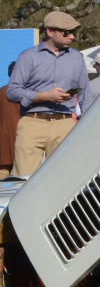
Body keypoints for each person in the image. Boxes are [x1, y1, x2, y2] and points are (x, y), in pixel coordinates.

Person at [6, 11, 93, 176]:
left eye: (73, 33)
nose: (72, 37)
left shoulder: (77, 58)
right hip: (32, 123)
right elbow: (12, 91)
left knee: (63, 178)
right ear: (50, 31)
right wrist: (44, 96)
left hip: (65, 123)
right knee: (23, 179)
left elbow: (85, 96)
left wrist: (87, 126)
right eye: (67, 32)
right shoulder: (28, 57)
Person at [0, 62, 22, 179]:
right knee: (21, 176)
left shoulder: (2, 91)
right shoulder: (26, 93)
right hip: (20, 138)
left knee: (3, 173)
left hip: (3, 140)